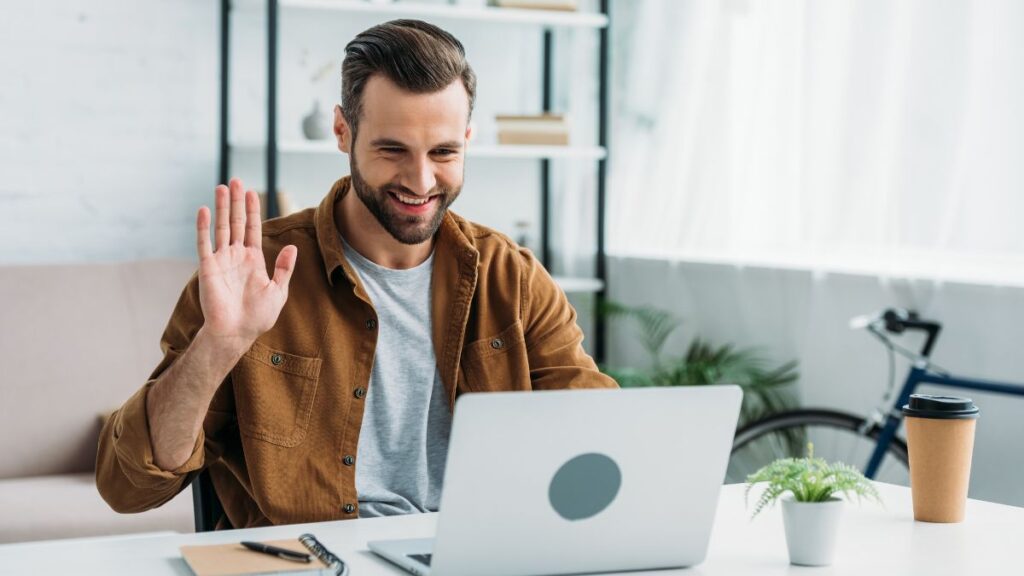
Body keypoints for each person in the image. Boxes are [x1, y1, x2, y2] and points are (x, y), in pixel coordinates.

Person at [96, 19, 616, 528]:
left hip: (473, 551)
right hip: (306, 563)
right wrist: (217, 347)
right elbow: (129, 487)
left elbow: (602, 440)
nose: (421, 180)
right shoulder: (254, 273)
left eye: (444, 152)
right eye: (392, 150)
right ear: (343, 131)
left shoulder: (513, 279)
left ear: (467, 140)